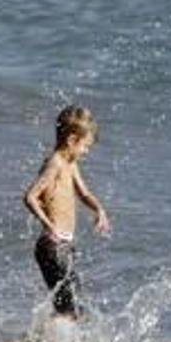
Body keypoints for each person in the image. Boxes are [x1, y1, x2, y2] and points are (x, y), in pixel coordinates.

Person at [23, 105, 110, 319]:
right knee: (70, 309)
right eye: (85, 146)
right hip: (52, 247)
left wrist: (99, 210)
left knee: (72, 305)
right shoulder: (54, 163)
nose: (86, 152)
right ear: (72, 140)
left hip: (65, 246)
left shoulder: (70, 164)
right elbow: (30, 197)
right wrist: (48, 225)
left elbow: (84, 193)